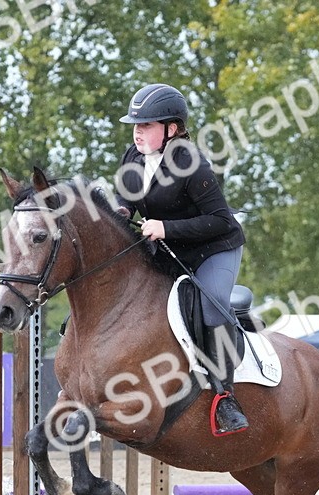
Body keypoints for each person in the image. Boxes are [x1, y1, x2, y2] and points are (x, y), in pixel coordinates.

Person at [113, 83, 249, 435]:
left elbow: (221, 220)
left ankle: (225, 397)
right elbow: (126, 198)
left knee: (211, 304)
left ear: (172, 129)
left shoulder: (191, 164)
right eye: (136, 125)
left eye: (146, 125)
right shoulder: (133, 156)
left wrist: (167, 228)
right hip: (169, 249)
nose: (137, 132)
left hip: (215, 248)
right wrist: (121, 210)